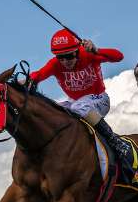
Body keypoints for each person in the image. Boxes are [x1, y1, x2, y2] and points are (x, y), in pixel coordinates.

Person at [30, 28, 130, 158]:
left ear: (77, 52)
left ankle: (114, 140)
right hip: (75, 103)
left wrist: (97, 50)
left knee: (79, 107)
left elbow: (119, 56)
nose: (65, 62)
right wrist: (26, 80)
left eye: (69, 56)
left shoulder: (88, 55)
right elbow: (38, 74)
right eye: (60, 57)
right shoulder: (55, 64)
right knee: (52, 110)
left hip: (99, 99)